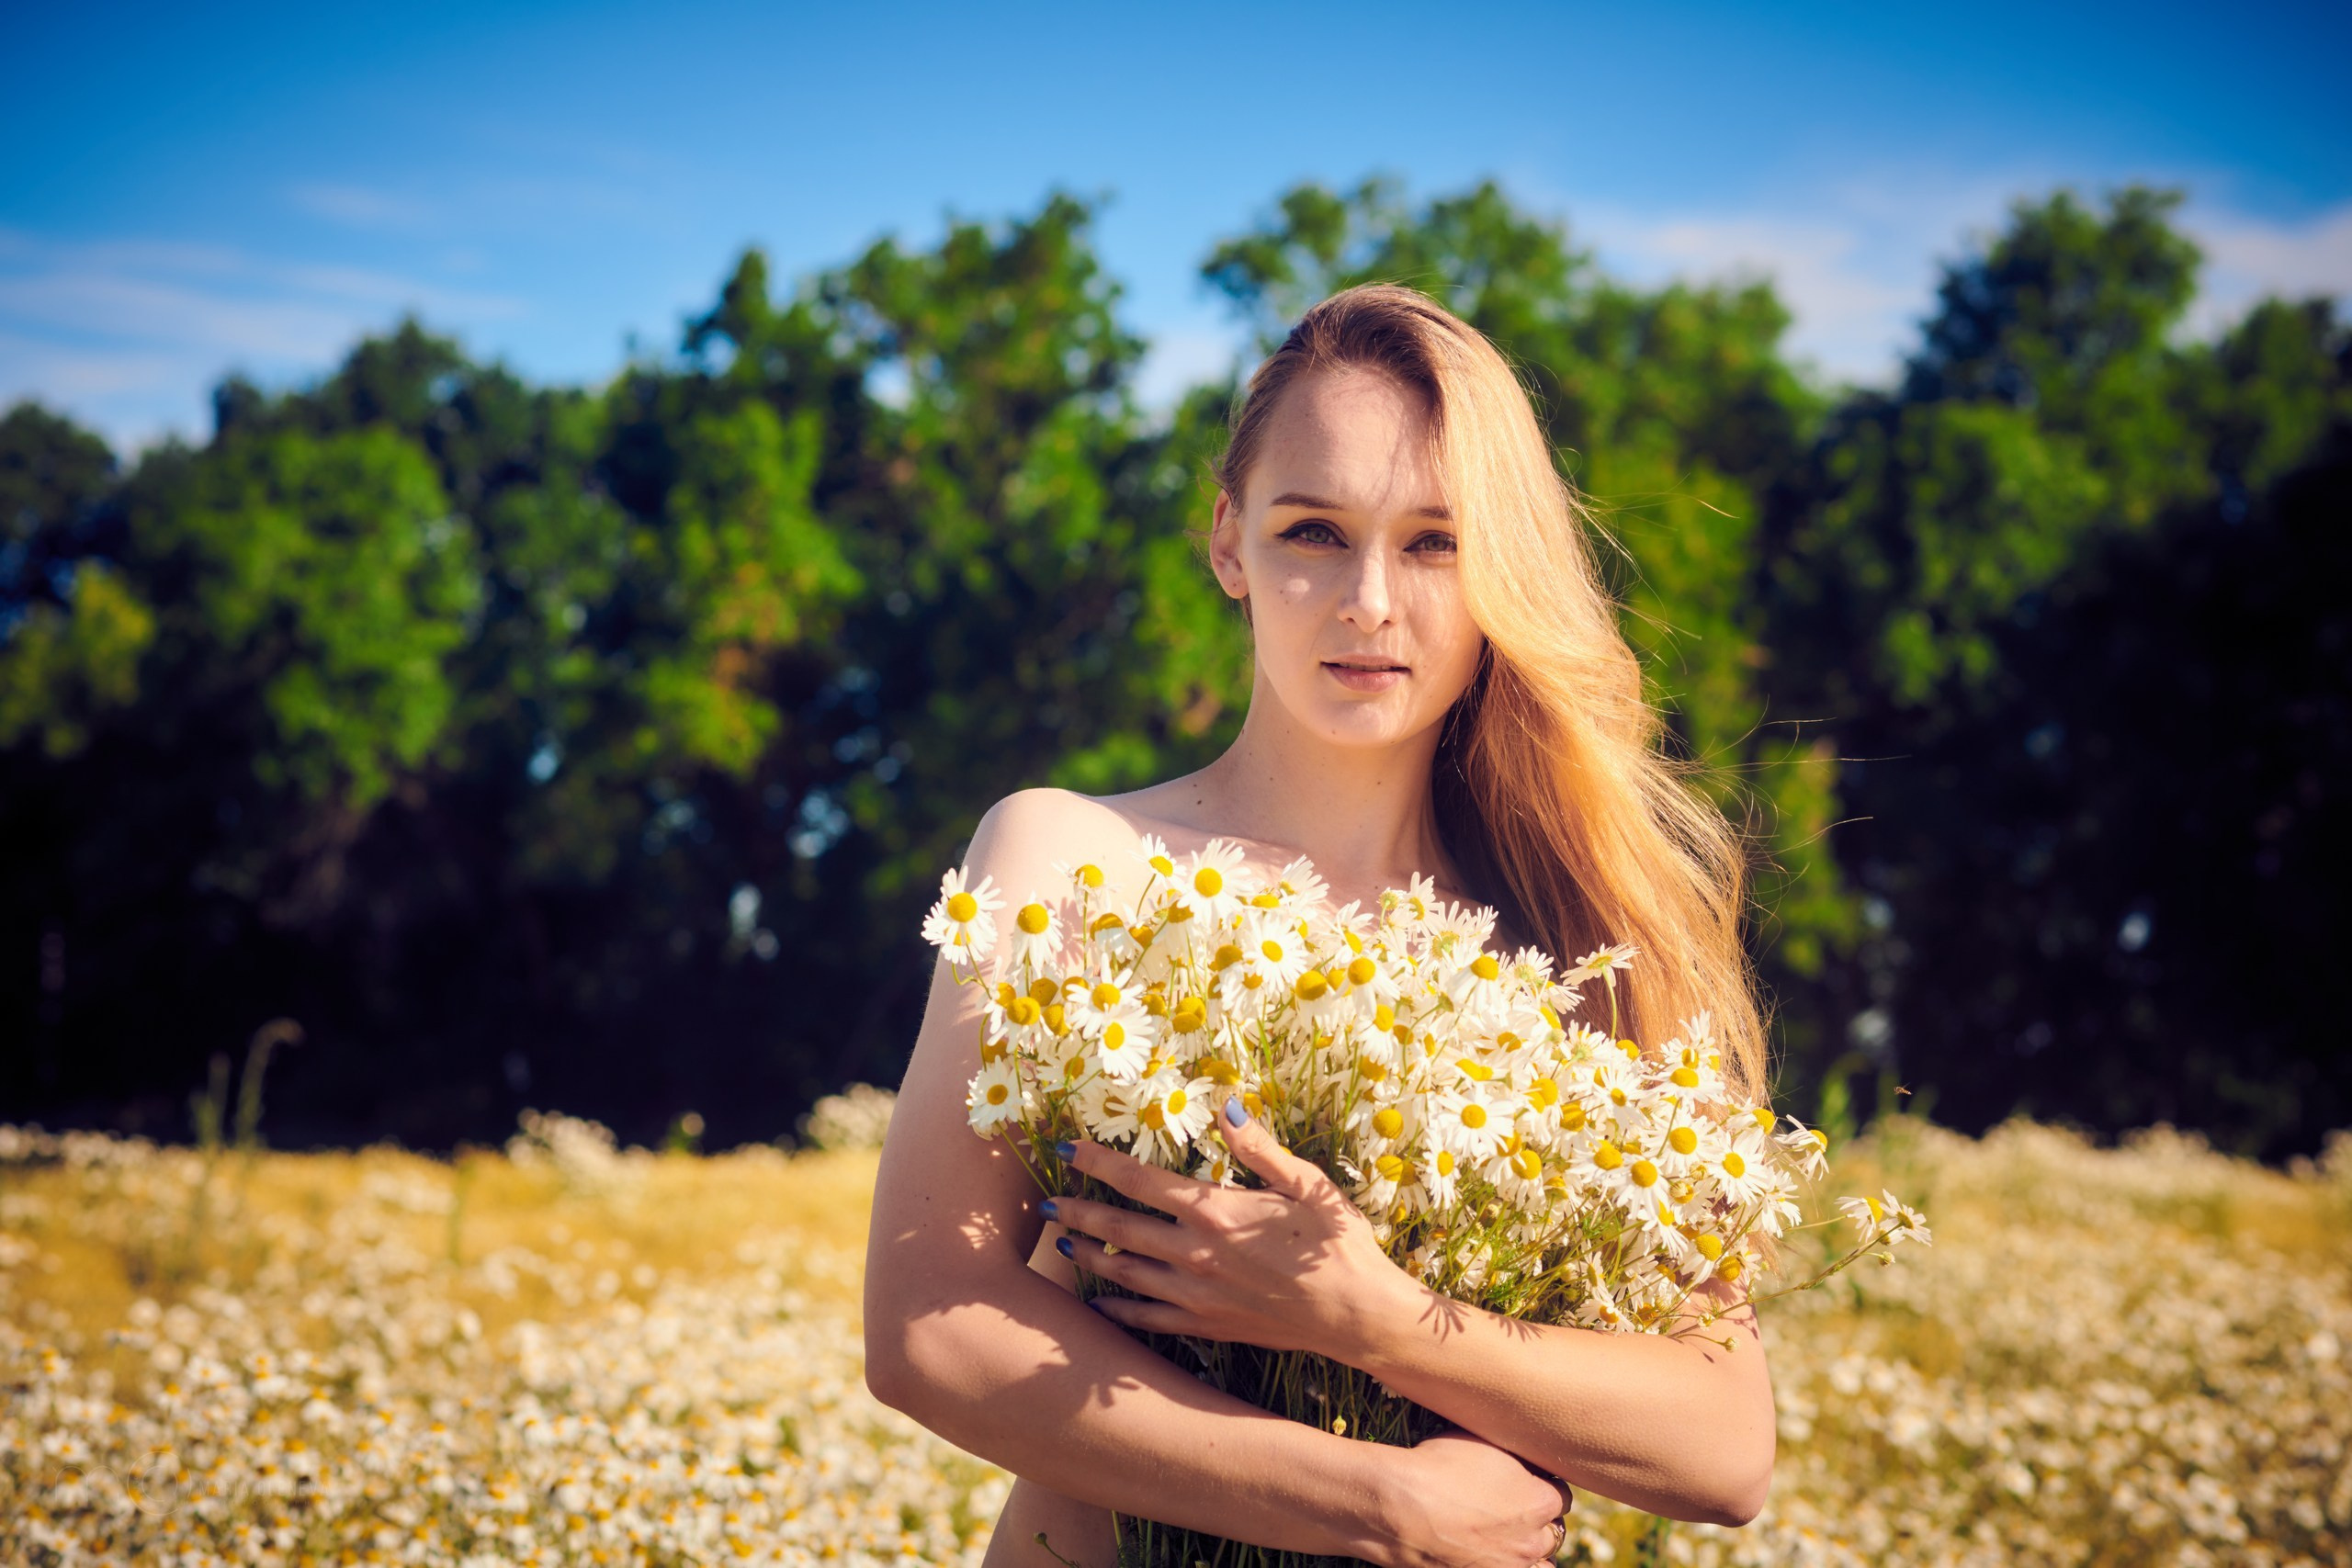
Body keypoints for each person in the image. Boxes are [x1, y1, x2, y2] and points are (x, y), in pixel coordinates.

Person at [864, 283, 1777, 1568]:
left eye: (1435, 544)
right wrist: (1373, 1504)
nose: (1367, 600)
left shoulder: (1579, 934)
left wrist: (1380, 1321)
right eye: (1313, 531)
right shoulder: (1070, 858)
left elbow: (1728, 1446)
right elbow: (926, 1326)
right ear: (1230, 542)